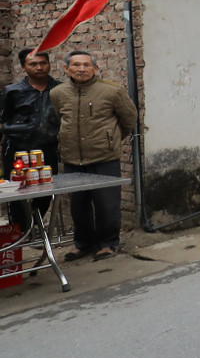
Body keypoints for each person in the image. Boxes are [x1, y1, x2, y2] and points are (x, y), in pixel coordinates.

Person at [49, 51, 137, 261]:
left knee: (107, 205)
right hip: (72, 159)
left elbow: (129, 119)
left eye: (87, 65)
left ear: (95, 68)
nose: (81, 69)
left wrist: (111, 139)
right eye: (76, 65)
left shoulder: (112, 92)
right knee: (78, 206)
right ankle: (83, 243)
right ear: (66, 69)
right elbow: (57, 118)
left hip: (104, 158)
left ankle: (108, 243)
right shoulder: (58, 93)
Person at [1, 49, 60, 232]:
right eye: (33, 64)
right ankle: (20, 231)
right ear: (23, 67)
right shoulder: (12, 92)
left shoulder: (60, 90)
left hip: (47, 148)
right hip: (17, 148)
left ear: (49, 64)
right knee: (16, 192)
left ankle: (34, 224)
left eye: (43, 63)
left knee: (46, 190)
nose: (39, 67)